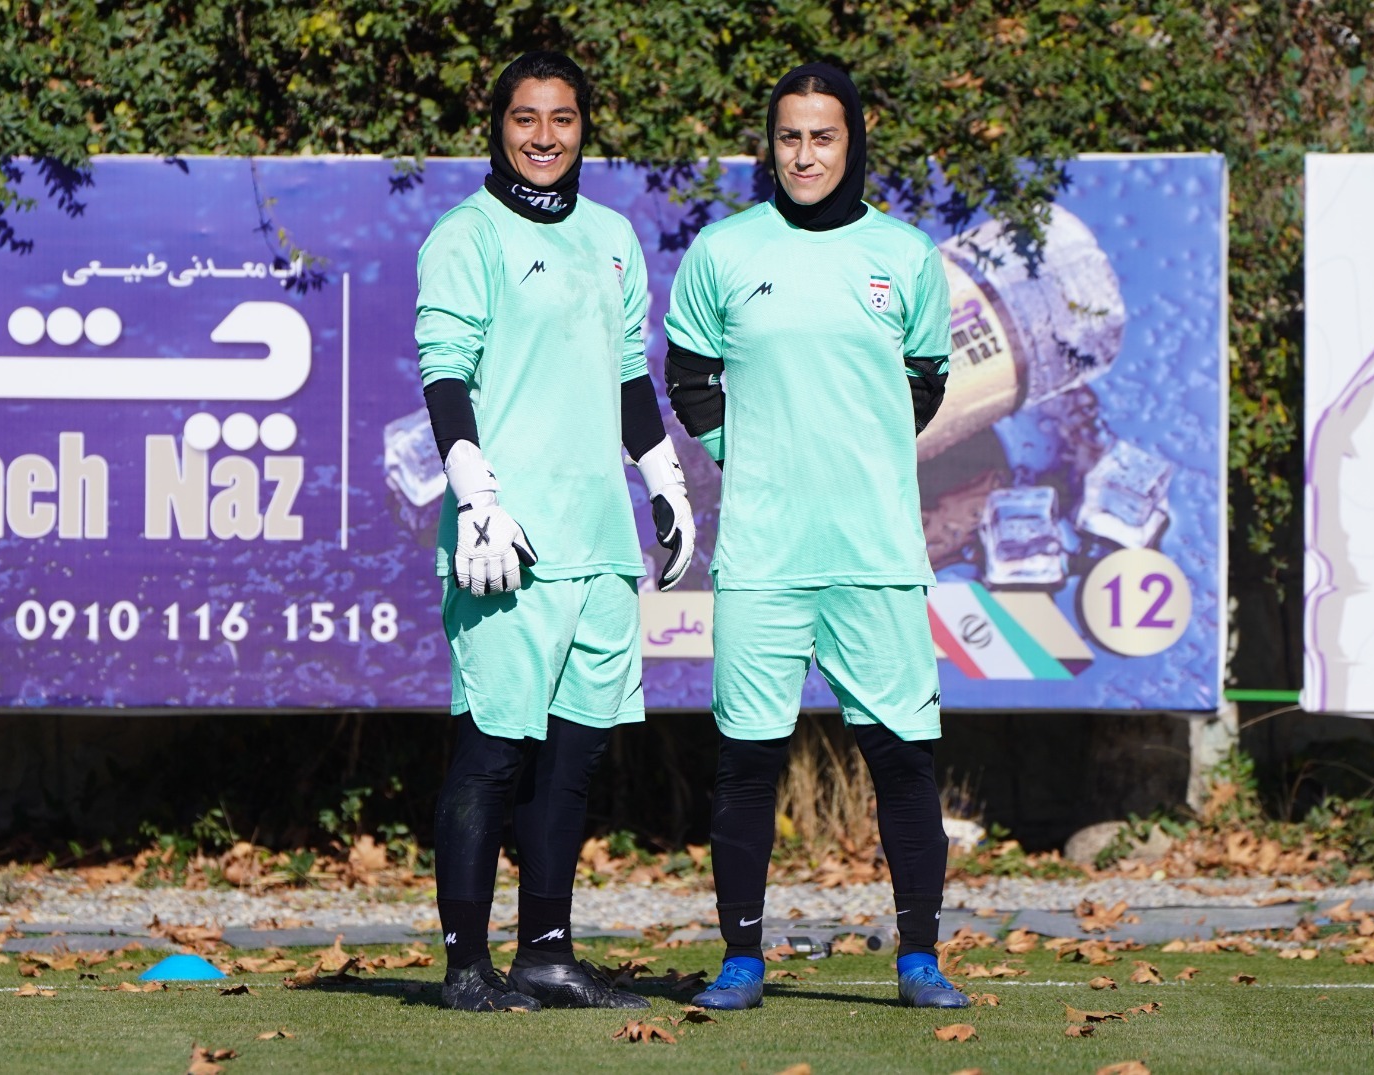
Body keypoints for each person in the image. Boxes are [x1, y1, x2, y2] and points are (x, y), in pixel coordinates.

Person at [661, 62, 967, 1011]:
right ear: (772, 145)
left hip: (876, 551)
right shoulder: (723, 250)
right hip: (763, 554)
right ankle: (741, 959)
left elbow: (925, 381)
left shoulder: (906, 256)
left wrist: (857, 453)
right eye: (788, 137)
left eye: (822, 137)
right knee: (748, 761)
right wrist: (755, 455)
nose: (804, 155)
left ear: (853, 141)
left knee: (903, 758)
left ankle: (919, 958)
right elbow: (688, 376)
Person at [414, 50, 695, 1012]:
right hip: (505, 542)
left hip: (600, 542)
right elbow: (444, 375)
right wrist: (478, 497)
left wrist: (664, 481)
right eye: (525, 118)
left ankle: (545, 955)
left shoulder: (613, 238)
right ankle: (465, 967)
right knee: (493, 754)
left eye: (562, 118)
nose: (544, 136)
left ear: (584, 127)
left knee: (573, 759)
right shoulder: (466, 235)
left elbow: (628, 377)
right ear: (498, 126)